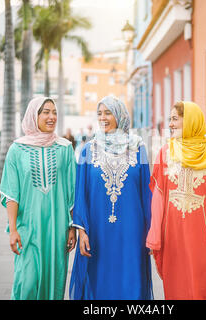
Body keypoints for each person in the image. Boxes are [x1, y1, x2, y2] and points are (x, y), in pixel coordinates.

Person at [69, 95, 153, 300]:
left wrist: (152, 233)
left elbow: (147, 193)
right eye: (99, 113)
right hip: (98, 233)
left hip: (133, 234)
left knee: (131, 282)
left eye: (108, 113)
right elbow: (81, 193)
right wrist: (82, 231)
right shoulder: (88, 150)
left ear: (119, 115)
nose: (103, 118)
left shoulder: (138, 148)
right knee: (99, 282)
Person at [146, 101, 206, 300]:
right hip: (173, 236)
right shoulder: (165, 153)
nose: (171, 124)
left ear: (191, 121)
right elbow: (158, 198)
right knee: (176, 289)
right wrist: (154, 236)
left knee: (202, 288)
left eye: (175, 119)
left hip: (204, 237)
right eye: (170, 119)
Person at [0, 97, 77, 300]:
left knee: (55, 281)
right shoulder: (17, 150)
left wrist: (71, 228)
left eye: (54, 112)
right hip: (28, 229)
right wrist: (13, 229)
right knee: (27, 282)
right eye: (45, 112)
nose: (51, 117)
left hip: (57, 228)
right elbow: (11, 194)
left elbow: (71, 192)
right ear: (34, 115)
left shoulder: (65, 148)